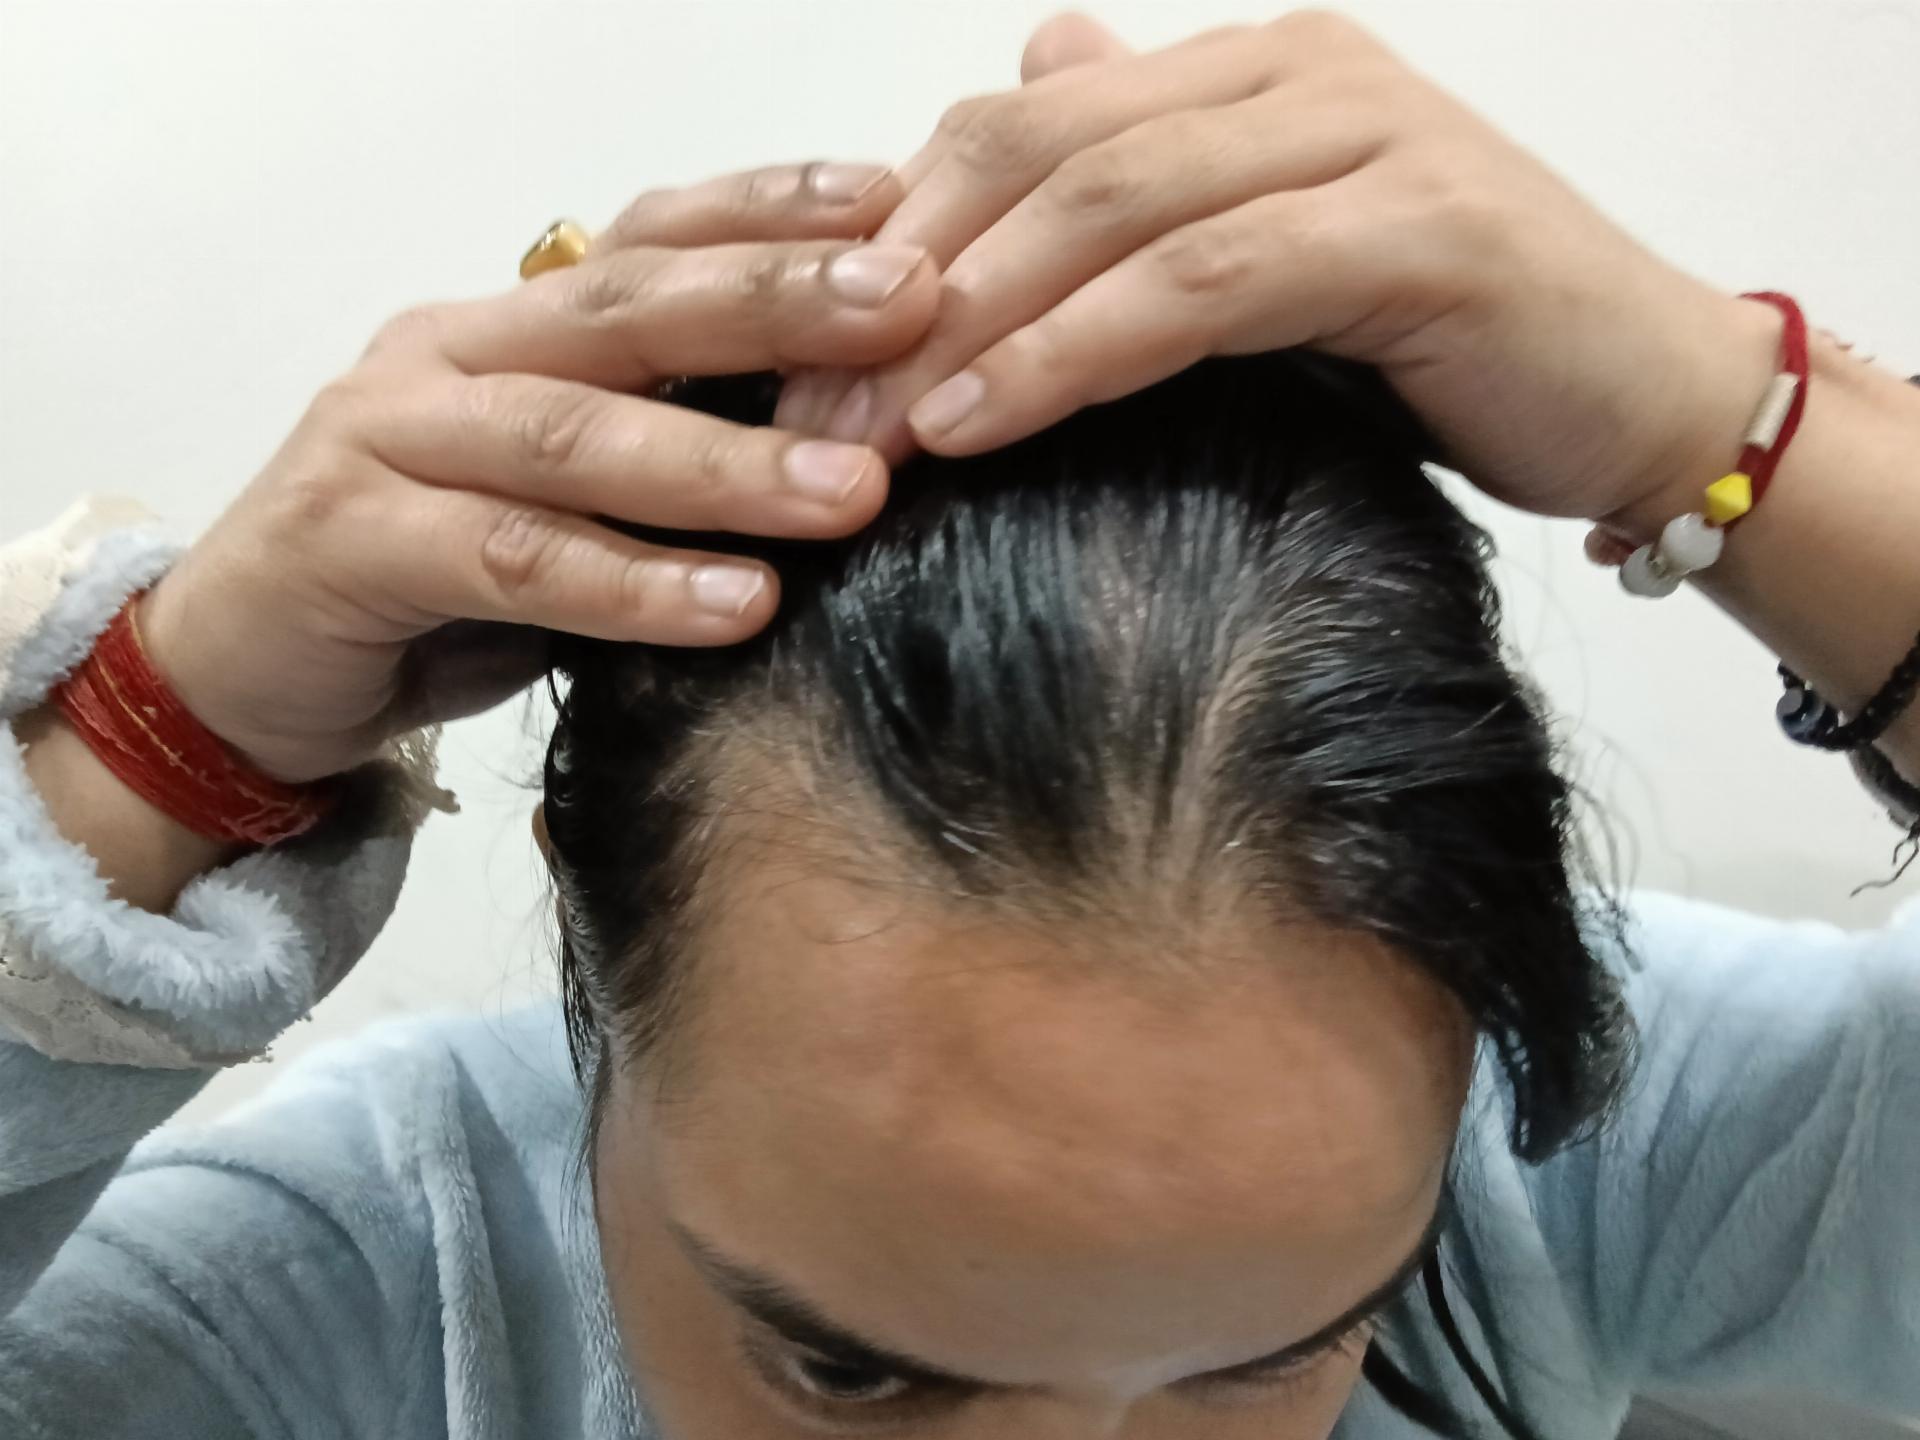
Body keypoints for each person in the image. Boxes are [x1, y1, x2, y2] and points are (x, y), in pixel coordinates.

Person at [2, 10, 1917, 1440]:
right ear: (595, 919)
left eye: (1268, 1354)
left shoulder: (1550, 1160)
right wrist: (150, 744)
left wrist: (1734, 418)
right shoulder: (347, 1297)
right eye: (848, 1371)